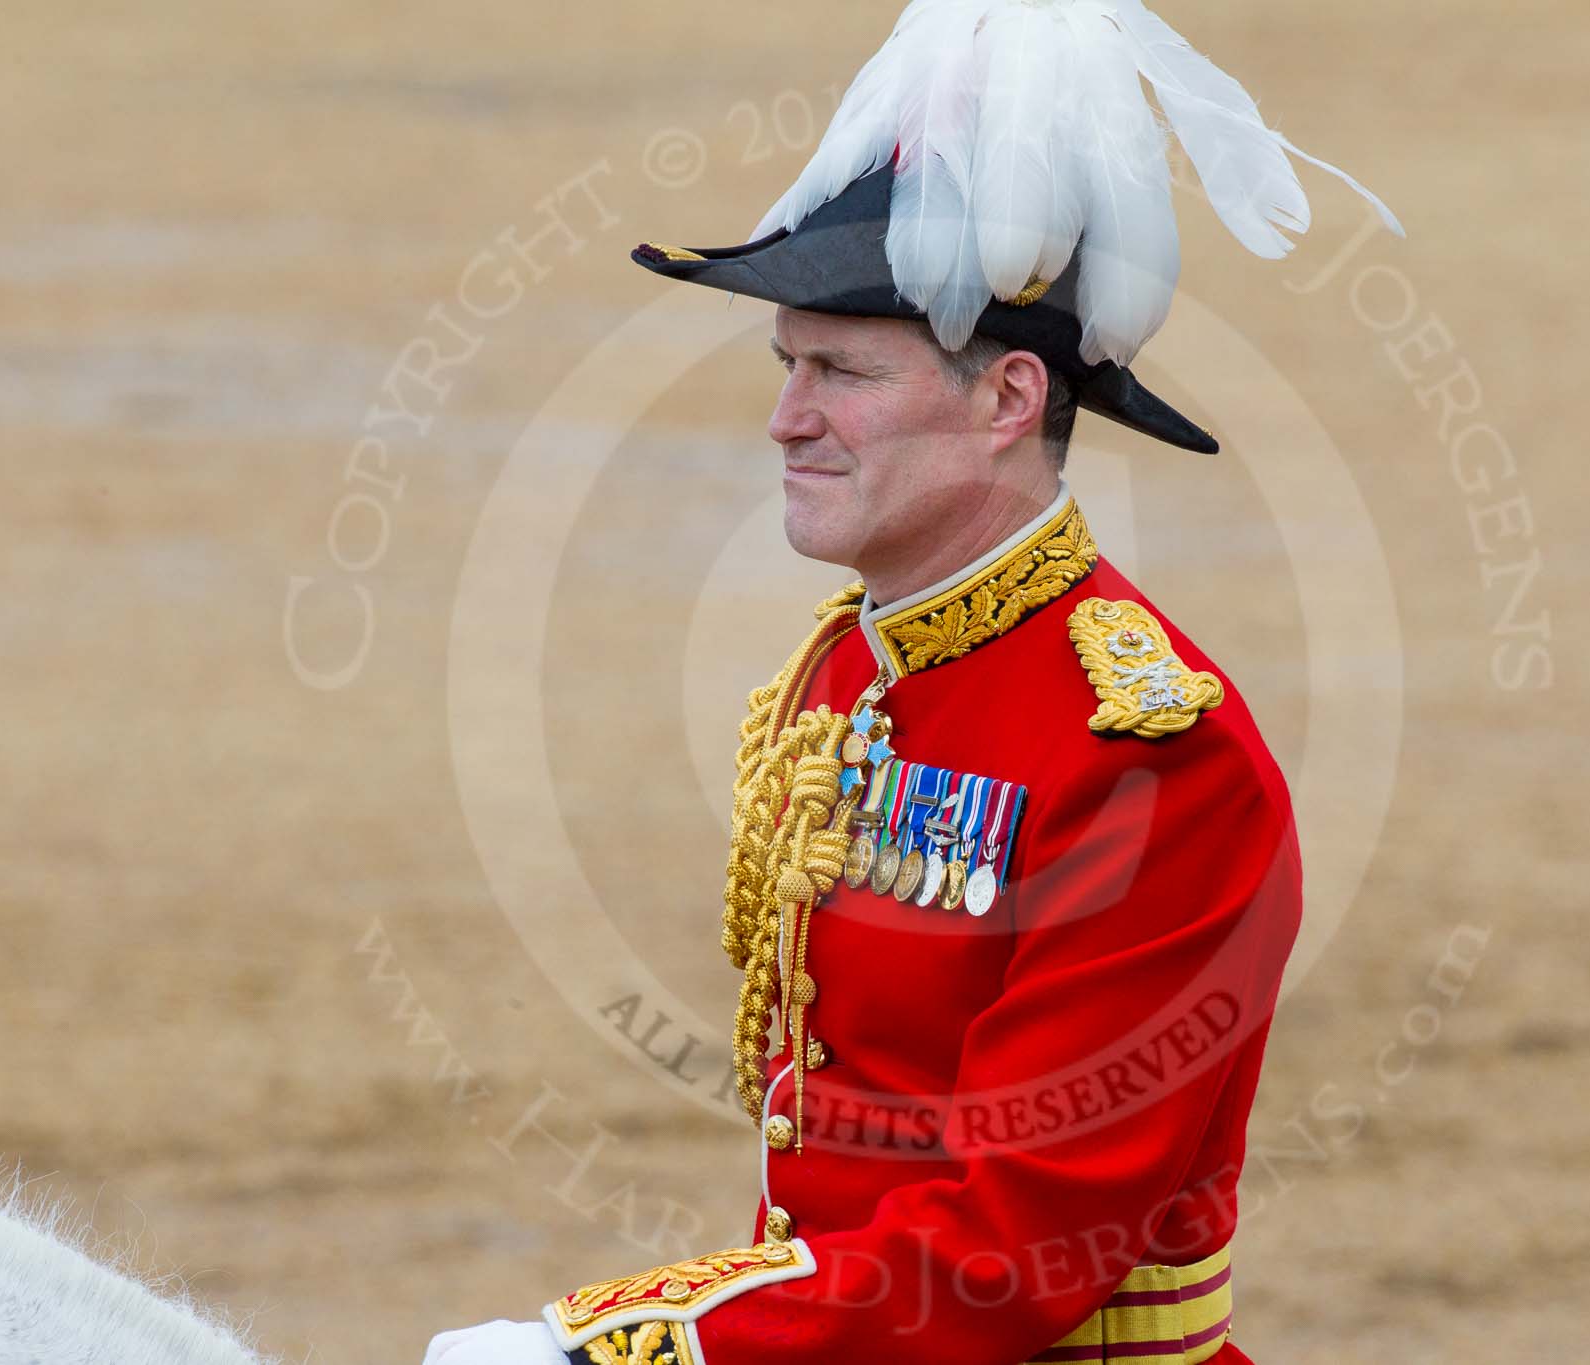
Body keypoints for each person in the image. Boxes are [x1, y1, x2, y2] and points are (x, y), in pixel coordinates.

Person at [424, 2, 1396, 1361]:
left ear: (1006, 401)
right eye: (786, 366)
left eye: (839, 371)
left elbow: (1012, 1254)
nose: (786, 416)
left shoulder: (1153, 754)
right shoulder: (846, 665)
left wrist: (632, 1348)